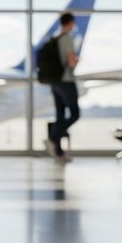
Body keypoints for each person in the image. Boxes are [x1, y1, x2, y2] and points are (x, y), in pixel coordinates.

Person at [44, 12, 80, 162]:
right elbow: (71, 62)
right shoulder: (66, 38)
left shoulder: (54, 38)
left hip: (54, 83)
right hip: (66, 81)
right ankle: (52, 138)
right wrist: (77, 60)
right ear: (70, 23)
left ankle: (58, 153)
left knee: (60, 116)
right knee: (74, 114)